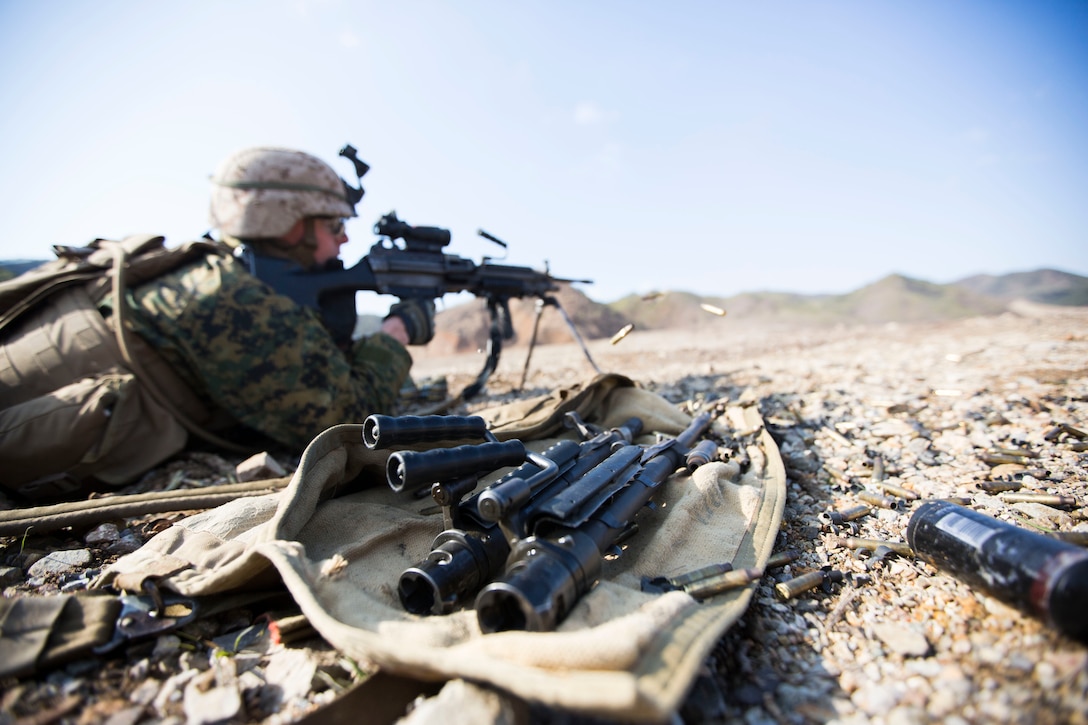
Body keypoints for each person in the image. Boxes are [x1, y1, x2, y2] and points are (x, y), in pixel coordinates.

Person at [0, 146, 435, 501]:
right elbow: (349, 420)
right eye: (334, 223)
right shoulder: (236, 300)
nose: (344, 238)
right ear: (287, 224)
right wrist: (394, 335)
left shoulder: (215, 273)